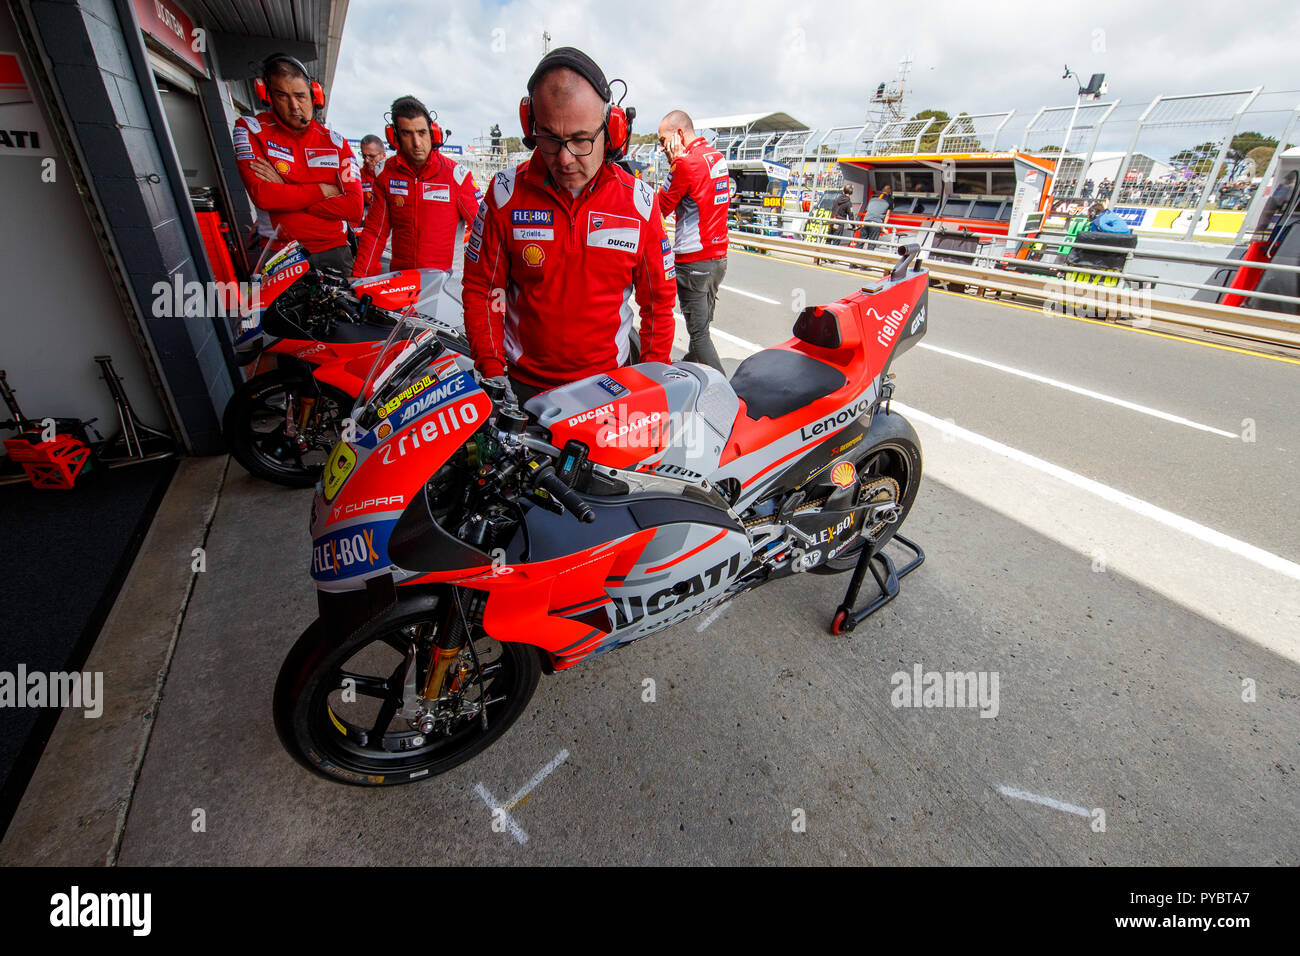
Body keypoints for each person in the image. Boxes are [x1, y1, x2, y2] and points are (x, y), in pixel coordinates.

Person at [461, 47, 674, 403]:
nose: (564, 158)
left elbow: (659, 307)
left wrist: (650, 389)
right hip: (520, 389)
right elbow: (482, 290)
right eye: (549, 138)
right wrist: (493, 372)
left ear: (613, 128)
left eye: (580, 139)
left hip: (608, 391)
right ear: (531, 126)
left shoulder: (641, 205)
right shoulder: (503, 195)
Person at [232, 53, 362, 274]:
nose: (294, 106)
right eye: (282, 96)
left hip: (335, 251)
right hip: (280, 252)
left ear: (314, 96)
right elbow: (263, 196)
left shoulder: (336, 142)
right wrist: (323, 190)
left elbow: (354, 208)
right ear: (268, 96)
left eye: (300, 96)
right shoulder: (251, 128)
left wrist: (285, 189)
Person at [352, 96, 481, 285]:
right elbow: (375, 232)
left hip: (445, 287)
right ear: (395, 137)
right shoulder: (386, 175)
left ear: (432, 132)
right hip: (401, 286)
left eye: (422, 133)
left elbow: (486, 231)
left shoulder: (456, 176)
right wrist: (359, 277)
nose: (417, 143)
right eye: (407, 133)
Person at [655, 109, 728, 372]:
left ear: (679, 135)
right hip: (718, 259)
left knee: (699, 335)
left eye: (664, 141)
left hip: (693, 261)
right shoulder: (717, 157)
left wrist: (675, 165)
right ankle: (689, 372)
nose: (663, 148)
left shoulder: (684, 164)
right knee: (702, 330)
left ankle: (726, 396)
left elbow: (659, 208)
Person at [358, 133, 386, 218]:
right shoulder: (357, 176)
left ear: (383, 155)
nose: (366, 160)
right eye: (364, 156)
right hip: (364, 226)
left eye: (372, 156)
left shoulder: (394, 175)